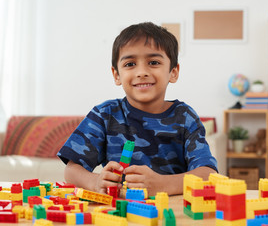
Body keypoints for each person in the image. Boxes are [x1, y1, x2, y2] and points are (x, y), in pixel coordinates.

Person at [57, 22, 218, 196]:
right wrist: (95, 182)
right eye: (130, 64)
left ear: (173, 72)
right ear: (116, 75)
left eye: (154, 62)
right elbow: (71, 171)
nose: (141, 72)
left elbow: (208, 174)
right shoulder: (104, 115)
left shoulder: (185, 117)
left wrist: (163, 184)